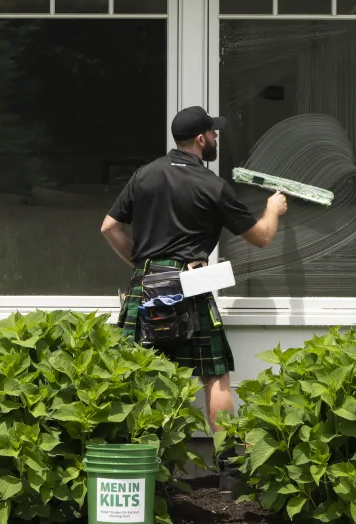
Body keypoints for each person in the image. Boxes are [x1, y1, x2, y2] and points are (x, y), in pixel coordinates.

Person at [101, 105, 287, 496]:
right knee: (214, 373)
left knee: (140, 374)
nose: (217, 138)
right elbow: (261, 237)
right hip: (191, 281)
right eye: (214, 134)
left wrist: (142, 264)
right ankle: (230, 472)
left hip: (147, 281)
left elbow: (110, 227)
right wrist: (272, 210)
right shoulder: (212, 185)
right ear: (201, 139)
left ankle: (143, 468)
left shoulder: (144, 175)